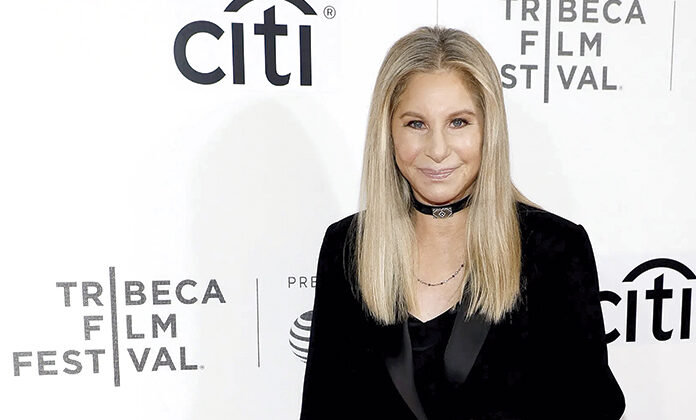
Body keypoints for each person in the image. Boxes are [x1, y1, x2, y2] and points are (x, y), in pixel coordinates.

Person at [299, 26, 625, 420]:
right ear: (388, 132)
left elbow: (592, 408)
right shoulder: (348, 247)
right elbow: (322, 407)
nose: (437, 150)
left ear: (489, 129)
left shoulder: (553, 249)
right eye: (416, 124)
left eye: (458, 122)